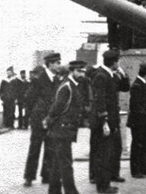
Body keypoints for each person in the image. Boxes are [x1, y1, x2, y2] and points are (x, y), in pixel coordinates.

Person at [44, 60, 87, 194]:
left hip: (65, 129)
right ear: (71, 71)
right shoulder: (67, 86)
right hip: (62, 129)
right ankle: (71, 191)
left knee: (58, 162)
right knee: (66, 163)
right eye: (79, 71)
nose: (82, 74)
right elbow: (56, 108)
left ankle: (53, 190)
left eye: (83, 72)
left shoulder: (73, 85)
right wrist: (49, 121)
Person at [91, 50, 130, 193]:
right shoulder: (101, 76)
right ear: (114, 62)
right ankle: (102, 187)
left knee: (110, 152)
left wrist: (123, 74)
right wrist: (104, 122)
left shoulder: (111, 75)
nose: (119, 64)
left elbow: (125, 87)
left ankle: (106, 182)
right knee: (103, 155)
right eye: (118, 61)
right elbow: (99, 101)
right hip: (105, 122)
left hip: (112, 120)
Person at [24, 52, 62, 187]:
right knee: (35, 148)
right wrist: (33, 116)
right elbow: (29, 99)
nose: (59, 65)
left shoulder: (57, 80)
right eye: (57, 63)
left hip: (51, 120)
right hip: (39, 120)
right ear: (50, 64)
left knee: (50, 148)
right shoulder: (39, 79)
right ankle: (29, 177)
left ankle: (47, 175)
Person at [128, 63, 146, 179]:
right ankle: (136, 170)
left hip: (144, 120)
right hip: (138, 121)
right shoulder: (137, 85)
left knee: (144, 144)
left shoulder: (142, 84)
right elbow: (135, 105)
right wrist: (145, 114)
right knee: (137, 145)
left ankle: (144, 168)